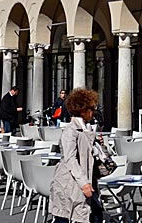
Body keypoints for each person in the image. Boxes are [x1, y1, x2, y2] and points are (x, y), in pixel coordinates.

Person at [49, 88, 103, 223]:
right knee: (66, 216)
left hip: (86, 181)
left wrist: (98, 143)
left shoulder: (88, 129)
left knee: (94, 215)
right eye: (92, 108)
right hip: (69, 183)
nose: (94, 112)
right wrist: (84, 183)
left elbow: (97, 157)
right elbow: (70, 159)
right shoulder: (71, 131)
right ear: (82, 110)